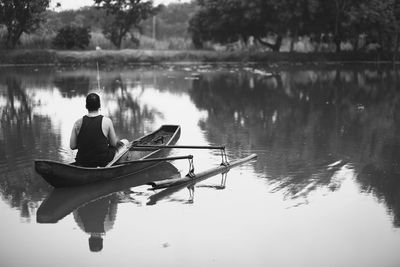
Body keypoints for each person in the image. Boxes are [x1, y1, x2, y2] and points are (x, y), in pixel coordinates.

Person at [70, 92, 119, 167]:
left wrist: (85, 143)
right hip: (102, 161)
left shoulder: (77, 123)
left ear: (86, 106)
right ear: (99, 106)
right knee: (125, 142)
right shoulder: (107, 121)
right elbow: (113, 144)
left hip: (82, 161)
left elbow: (72, 146)